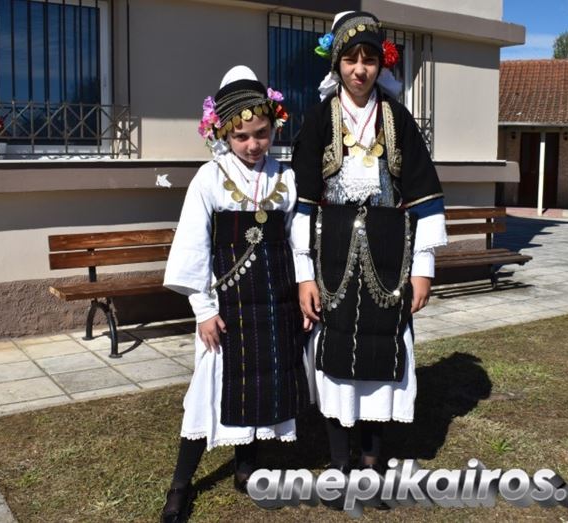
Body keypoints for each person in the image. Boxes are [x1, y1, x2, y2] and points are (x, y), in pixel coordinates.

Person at [292, 10, 448, 487]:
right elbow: (301, 204)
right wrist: (303, 275)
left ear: (382, 63)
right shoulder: (319, 119)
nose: (360, 70)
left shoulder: (397, 118)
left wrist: (423, 267)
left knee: (384, 349)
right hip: (332, 255)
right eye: (351, 59)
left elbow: (423, 195)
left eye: (369, 60)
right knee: (335, 352)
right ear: (336, 62)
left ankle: (371, 460)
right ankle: (339, 460)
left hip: (388, 255)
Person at [161, 65, 309, 522]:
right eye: (241, 136)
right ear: (223, 132)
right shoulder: (209, 179)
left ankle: (247, 467)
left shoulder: (285, 178)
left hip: (276, 301)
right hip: (227, 307)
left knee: (265, 383)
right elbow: (193, 247)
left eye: (261, 134)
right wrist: (203, 309)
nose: (252, 145)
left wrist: (304, 286)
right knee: (211, 387)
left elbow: (299, 239)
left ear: (273, 128)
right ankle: (180, 485)